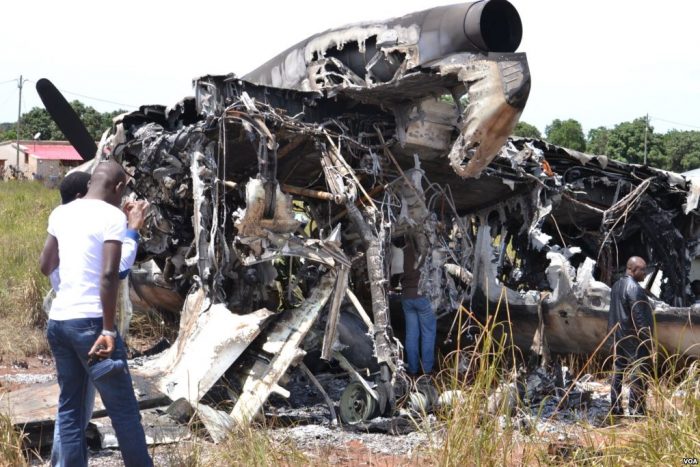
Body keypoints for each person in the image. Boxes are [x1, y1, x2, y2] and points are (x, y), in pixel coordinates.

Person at [39, 161, 152, 467]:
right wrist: (108, 330)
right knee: (124, 412)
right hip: (91, 324)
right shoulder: (112, 216)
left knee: (71, 409)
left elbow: (46, 265)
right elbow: (110, 274)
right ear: (118, 188)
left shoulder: (61, 213)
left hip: (59, 323)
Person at [608, 256, 654, 417]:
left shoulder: (616, 285)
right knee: (639, 373)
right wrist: (648, 341)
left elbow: (613, 312)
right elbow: (640, 317)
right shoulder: (635, 289)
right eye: (643, 269)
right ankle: (637, 410)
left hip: (619, 335)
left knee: (618, 371)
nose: (646, 272)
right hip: (635, 339)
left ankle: (615, 407)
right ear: (632, 269)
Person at [398, 234, 437, 376]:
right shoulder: (425, 251)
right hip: (422, 297)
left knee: (411, 335)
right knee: (428, 333)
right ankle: (426, 370)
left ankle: (413, 370)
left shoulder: (401, 252)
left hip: (406, 297)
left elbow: (395, 276)